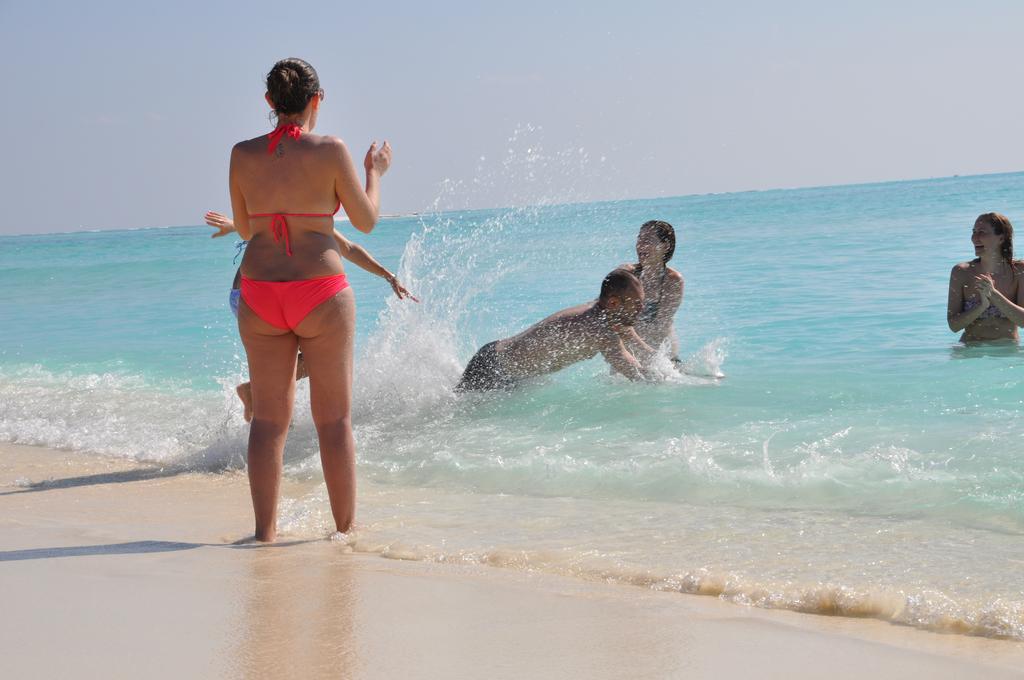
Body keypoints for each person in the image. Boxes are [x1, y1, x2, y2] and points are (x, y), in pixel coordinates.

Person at [230, 57, 391, 542]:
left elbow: (243, 228)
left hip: (260, 293)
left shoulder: (241, 153)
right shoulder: (331, 149)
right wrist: (375, 172)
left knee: (268, 422)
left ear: (269, 103)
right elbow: (365, 222)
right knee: (334, 420)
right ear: (316, 100)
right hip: (320, 292)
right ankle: (345, 533)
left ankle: (264, 534)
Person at [206, 210, 417, 422]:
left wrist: (388, 275)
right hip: (255, 297)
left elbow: (350, 249)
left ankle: (265, 405)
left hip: (254, 298)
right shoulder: (293, 213)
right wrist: (234, 225)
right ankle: (256, 394)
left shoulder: (307, 215)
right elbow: (257, 227)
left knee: (307, 359)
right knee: (313, 358)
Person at [456, 269, 655, 390]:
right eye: (636, 305)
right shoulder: (600, 329)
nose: (641, 310)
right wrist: (672, 385)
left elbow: (627, 334)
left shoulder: (599, 310)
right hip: (492, 370)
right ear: (613, 303)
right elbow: (637, 375)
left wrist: (655, 356)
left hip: (501, 365)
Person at [947, 212, 1024, 343]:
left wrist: (994, 294)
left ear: (1001, 238)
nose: (974, 238)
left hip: (1007, 351)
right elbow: (954, 325)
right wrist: (982, 306)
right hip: (971, 350)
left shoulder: (1019, 271)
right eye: (974, 232)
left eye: (982, 232)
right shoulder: (961, 272)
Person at [618, 220, 684, 366]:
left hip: (663, 358)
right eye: (639, 239)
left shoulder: (672, 280)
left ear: (665, 246)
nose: (640, 245)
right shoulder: (626, 273)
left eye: (647, 240)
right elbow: (602, 308)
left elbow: (659, 327)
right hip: (628, 355)